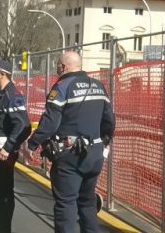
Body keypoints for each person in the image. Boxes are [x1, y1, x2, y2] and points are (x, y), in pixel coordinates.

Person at [26, 51, 115, 233]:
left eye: (58, 65)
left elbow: (51, 123)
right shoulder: (98, 86)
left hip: (69, 156)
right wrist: (103, 142)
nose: (57, 68)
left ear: (63, 67)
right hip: (94, 155)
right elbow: (109, 121)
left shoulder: (61, 86)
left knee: (66, 205)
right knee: (88, 203)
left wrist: (31, 144)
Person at [0, 59, 31, 233]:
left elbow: (23, 125)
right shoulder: (0, 94)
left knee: (3, 196)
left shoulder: (12, 95)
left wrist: (8, 148)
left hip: (2, 154)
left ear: (2, 73)